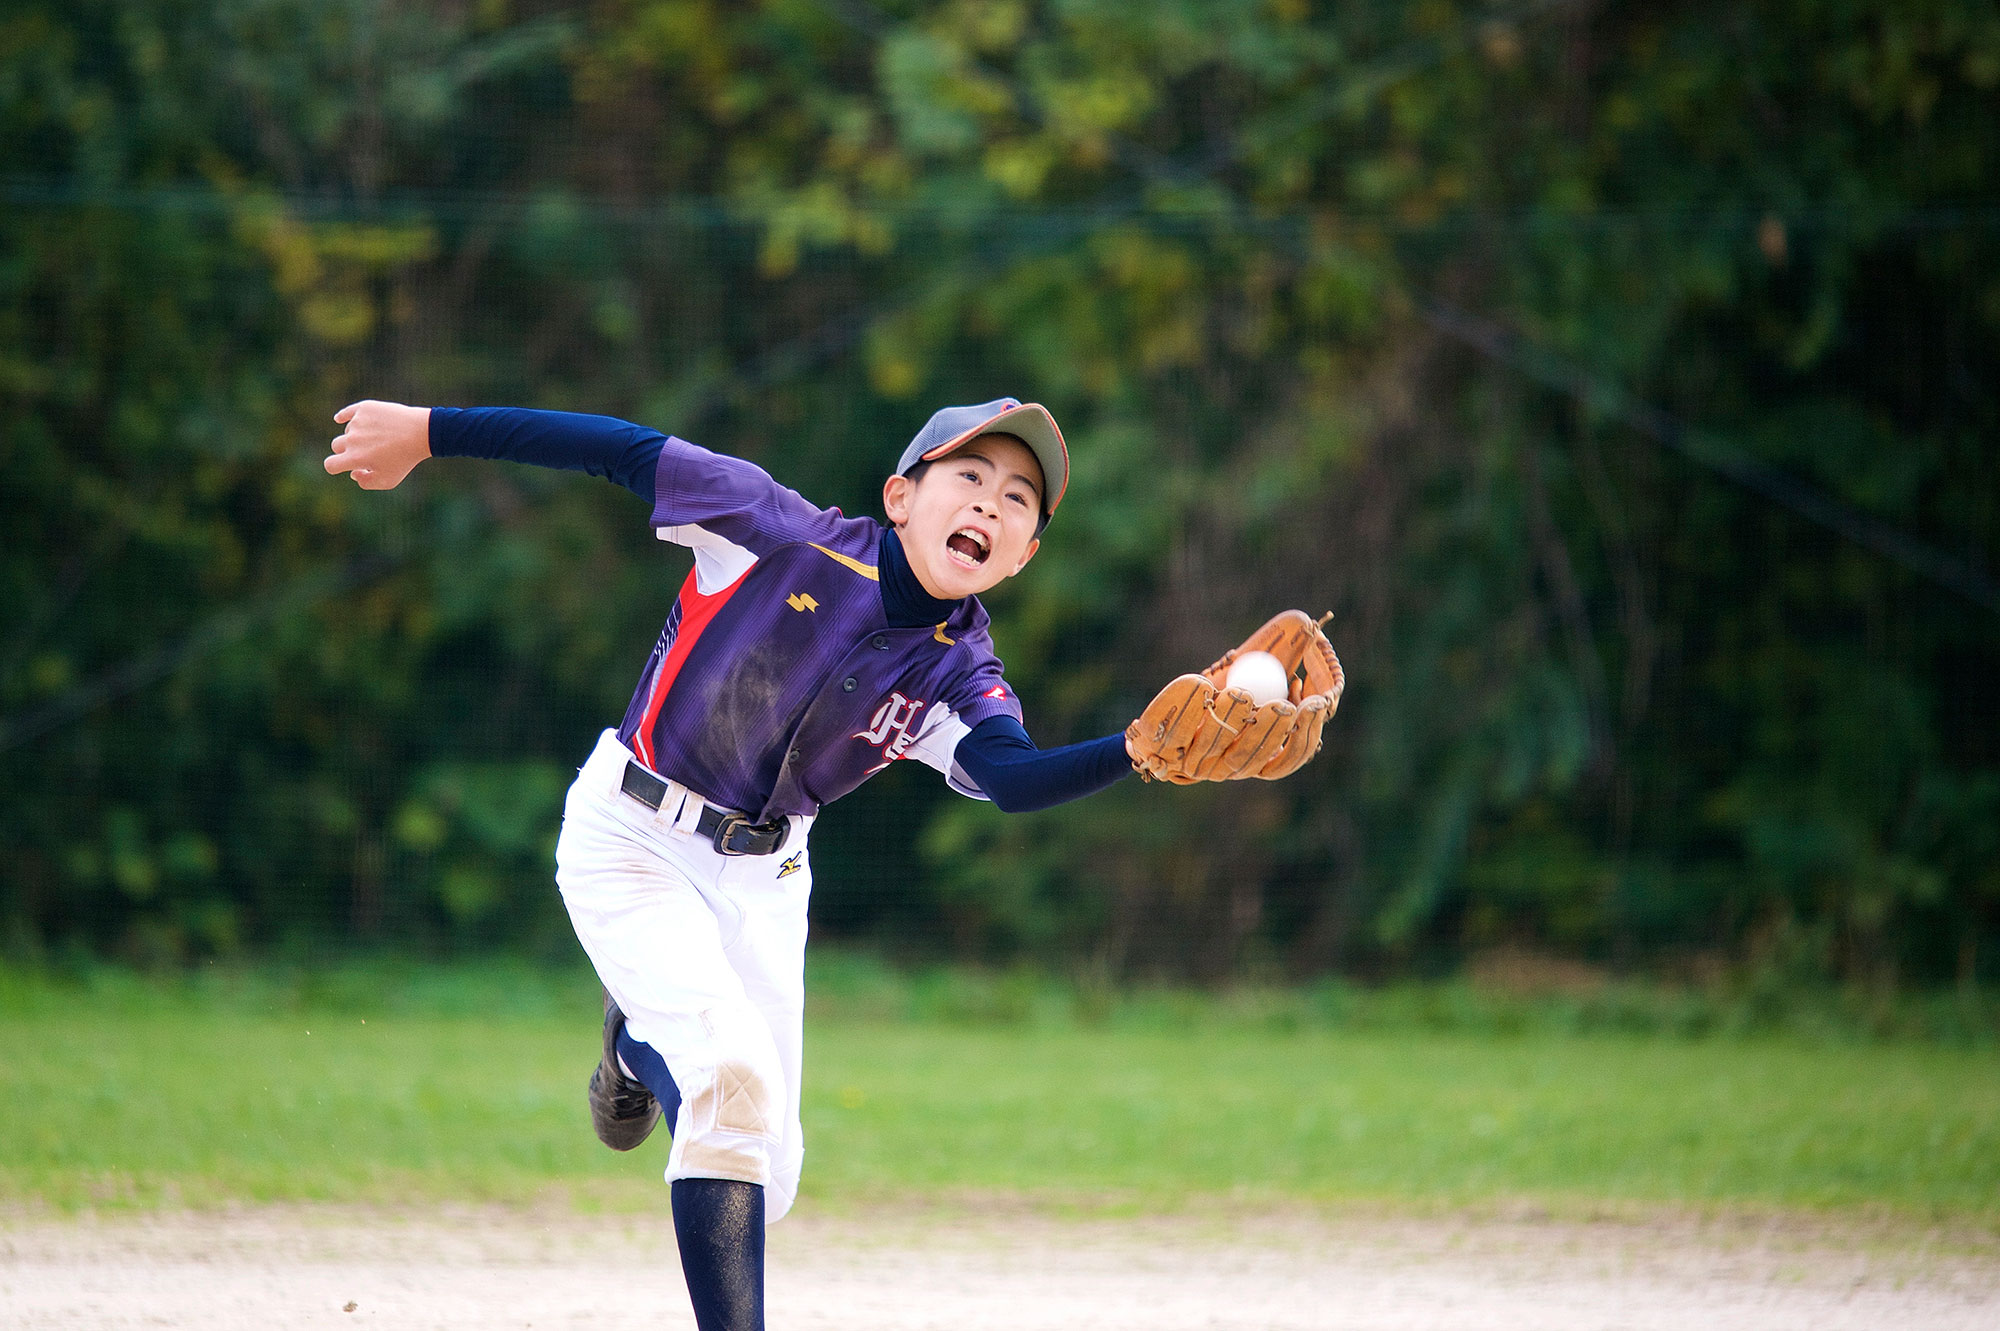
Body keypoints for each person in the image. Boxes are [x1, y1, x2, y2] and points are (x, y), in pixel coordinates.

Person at [323, 397, 1142, 1331]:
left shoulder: (960, 668)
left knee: (767, 1171)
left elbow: (1014, 777)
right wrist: (430, 432)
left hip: (767, 877)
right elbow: (617, 449)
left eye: (1019, 498)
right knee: (727, 1089)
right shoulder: (775, 529)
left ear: (1028, 551)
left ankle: (635, 1045)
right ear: (901, 496)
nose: (992, 504)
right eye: (971, 477)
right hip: (633, 836)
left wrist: (1138, 750)